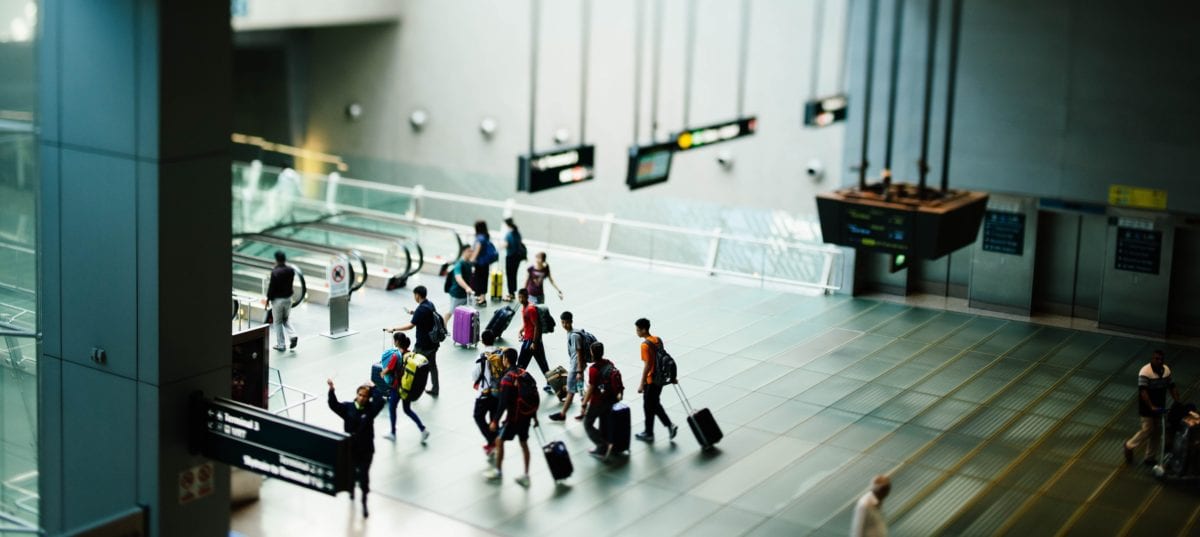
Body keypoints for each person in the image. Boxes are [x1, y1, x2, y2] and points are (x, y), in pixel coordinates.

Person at [326, 378, 386, 518]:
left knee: (364, 477)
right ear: (356, 395)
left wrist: (373, 387)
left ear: (368, 398)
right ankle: (352, 490)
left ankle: (364, 502)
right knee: (351, 473)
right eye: (360, 395)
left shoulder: (370, 410)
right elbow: (334, 405)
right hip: (351, 449)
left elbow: (380, 402)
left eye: (365, 396)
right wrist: (331, 390)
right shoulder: (348, 408)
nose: (362, 398)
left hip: (366, 450)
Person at [485, 348, 535, 487]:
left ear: (506, 359)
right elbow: (532, 394)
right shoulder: (524, 373)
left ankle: (498, 471)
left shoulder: (507, 378)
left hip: (513, 417)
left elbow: (503, 403)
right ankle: (526, 475)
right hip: (526, 415)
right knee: (524, 443)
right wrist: (534, 416)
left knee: (499, 440)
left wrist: (495, 421)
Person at [1123, 349, 1181, 465]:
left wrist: (1177, 401)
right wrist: (1151, 406)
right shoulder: (1145, 372)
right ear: (1152, 359)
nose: (1159, 361)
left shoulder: (1166, 370)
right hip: (1147, 407)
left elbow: (1172, 386)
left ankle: (1150, 457)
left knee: (1157, 431)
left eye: (1161, 359)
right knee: (1148, 429)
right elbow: (1143, 391)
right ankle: (1129, 445)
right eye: (1156, 359)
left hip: (1159, 406)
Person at [385, 285, 441, 396]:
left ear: (417, 295)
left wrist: (394, 329)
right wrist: (413, 312)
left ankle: (406, 387)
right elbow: (425, 315)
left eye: (414, 295)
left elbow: (410, 326)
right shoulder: (430, 304)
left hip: (422, 345)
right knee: (432, 367)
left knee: (409, 364)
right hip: (433, 343)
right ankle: (435, 388)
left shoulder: (421, 309)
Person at [379, 332, 430, 443]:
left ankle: (393, 433)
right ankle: (423, 429)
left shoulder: (396, 356)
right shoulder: (409, 354)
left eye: (394, 340)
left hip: (397, 387)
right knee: (407, 409)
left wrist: (382, 373)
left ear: (397, 342)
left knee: (392, 408)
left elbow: (388, 369)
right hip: (407, 386)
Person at [635, 318, 678, 443]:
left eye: (638, 330)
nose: (637, 332)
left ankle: (652, 432)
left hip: (651, 380)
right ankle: (658, 429)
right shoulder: (657, 339)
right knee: (653, 404)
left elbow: (648, 365)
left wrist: (642, 383)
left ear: (644, 330)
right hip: (660, 378)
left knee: (649, 405)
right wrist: (672, 377)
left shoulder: (644, 345)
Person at [581, 341, 622, 460]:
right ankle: (611, 444)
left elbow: (591, 388)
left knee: (587, 423)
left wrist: (584, 404)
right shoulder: (609, 363)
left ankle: (602, 446)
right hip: (611, 399)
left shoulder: (593, 369)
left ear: (592, 354)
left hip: (598, 401)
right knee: (604, 422)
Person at [549, 311, 589, 421]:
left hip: (576, 369)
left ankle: (562, 414)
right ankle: (584, 412)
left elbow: (579, 353)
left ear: (571, 321)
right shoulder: (572, 333)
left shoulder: (574, 336)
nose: (564, 325)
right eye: (562, 322)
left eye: (566, 322)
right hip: (578, 367)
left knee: (571, 391)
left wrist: (579, 371)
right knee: (580, 390)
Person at [473, 329, 502, 458]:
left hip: (485, 392)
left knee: (478, 416)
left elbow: (475, 375)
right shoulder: (501, 353)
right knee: (493, 419)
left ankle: (492, 441)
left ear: (482, 341)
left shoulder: (482, 356)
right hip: (499, 392)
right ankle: (496, 442)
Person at [515, 289, 552, 389]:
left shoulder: (530, 309)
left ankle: (516, 383)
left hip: (531, 341)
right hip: (531, 340)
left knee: (521, 363)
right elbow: (528, 323)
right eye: (519, 297)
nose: (520, 299)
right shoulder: (524, 308)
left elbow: (537, 326)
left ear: (527, 297)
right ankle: (551, 382)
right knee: (542, 363)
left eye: (522, 297)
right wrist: (521, 331)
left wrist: (534, 342)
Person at [266, 250, 298, 352]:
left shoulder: (275, 272)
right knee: (286, 319)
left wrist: (268, 299)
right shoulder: (291, 270)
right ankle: (293, 335)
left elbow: (272, 288)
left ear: (276, 260)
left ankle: (281, 345)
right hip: (288, 299)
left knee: (278, 322)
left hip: (278, 300)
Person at [445, 244, 476, 326]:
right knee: (451, 311)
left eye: (472, 251)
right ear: (463, 252)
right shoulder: (459, 264)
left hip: (465, 293)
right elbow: (458, 278)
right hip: (457, 293)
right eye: (469, 251)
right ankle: (443, 326)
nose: (471, 253)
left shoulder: (469, 263)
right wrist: (467, 288)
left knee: (463, 311)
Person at [470, 220, 498, 307]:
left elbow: (477, 250)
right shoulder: (486, 236)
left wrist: (471, 259)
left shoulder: (480, 238)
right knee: (484, 280)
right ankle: (482, 298)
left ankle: (481, 298)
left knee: (479, 280)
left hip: (480, 263)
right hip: (485, 263)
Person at [501, 217, 527, 302]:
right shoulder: (517, 233)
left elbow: (506, 245)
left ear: (507, 225)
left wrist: (500, 246)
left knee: (510, 275)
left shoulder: (509, 234)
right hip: (517, 257)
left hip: (510, 257)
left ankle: (511, 294)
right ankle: (513, 292)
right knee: (514, 275)